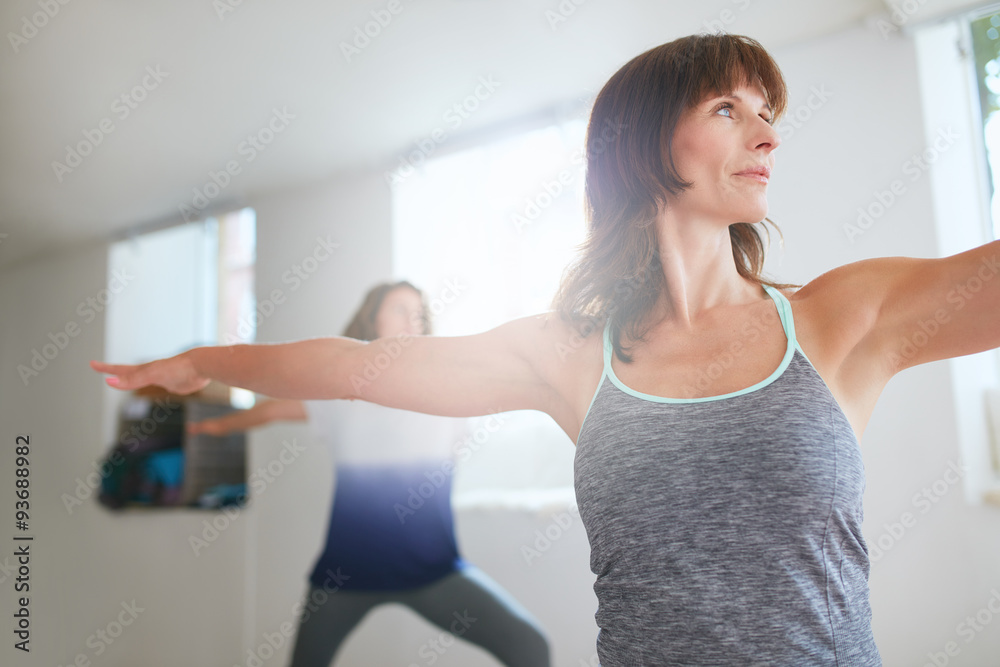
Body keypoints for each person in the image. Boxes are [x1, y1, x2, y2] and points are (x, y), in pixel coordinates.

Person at [90, 33, 1000, 665]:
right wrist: (205, 360)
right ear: (645, 144)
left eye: (769, 113)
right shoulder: (570, 356)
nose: (768, 133)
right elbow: (346, 365)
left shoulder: (844, 317)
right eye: (729, 108)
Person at [185, 280, 550, 667]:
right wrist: (215, 428)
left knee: (529, 646)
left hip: (432, 571)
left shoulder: (449, 391)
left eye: (419, 313)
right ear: (371, 320)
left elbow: (513, 385)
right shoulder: (342, 395)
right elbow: (273, 409)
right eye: (398, 309)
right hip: (346, 575)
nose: (412, 320)